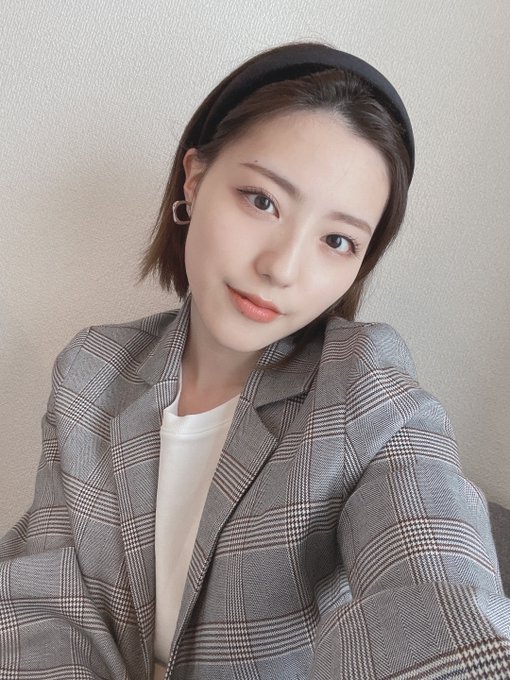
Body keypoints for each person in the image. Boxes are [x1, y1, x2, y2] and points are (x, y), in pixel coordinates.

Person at [0, 42, 509, 680]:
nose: (282, 267)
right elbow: (47, 601)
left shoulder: (364, 388)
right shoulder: (91, 370)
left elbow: (435, 585)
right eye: (262, 200)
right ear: (193, 180)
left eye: (337, 240)